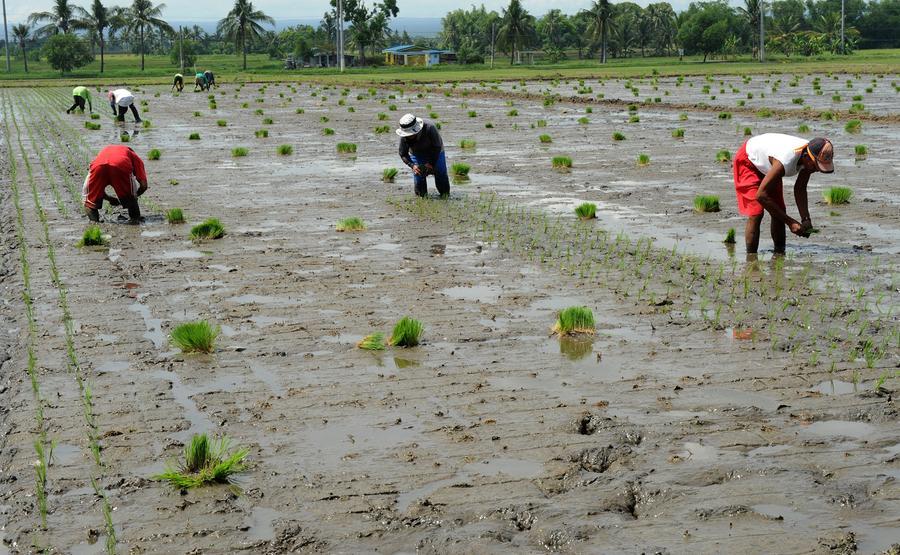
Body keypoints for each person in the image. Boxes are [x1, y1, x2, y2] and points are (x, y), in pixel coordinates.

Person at [733, 133, 834, 255]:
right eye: (816, 166)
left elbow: (800, 188)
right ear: (808, 157)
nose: (816, 170)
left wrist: (805, 218)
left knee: (779, 209)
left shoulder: (811, 154)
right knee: (757, 212)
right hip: (749, 161)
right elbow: (760, 195)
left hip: (769, 165)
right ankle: (751, 259)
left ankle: (779, 255)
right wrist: (790, 222)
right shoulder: (786, 160)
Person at [82, 145, 148, 224]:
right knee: (131, 199)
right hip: (121, 164)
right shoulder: (133, 155)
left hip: (98, 166)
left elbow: (97, 189)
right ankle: (135, 220)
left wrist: (109, 199)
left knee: (90, 200)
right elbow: (144, 186)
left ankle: (94, 223)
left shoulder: (105, 151)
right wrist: (134, 196)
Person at [396, 113, 450, 198]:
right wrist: (413, 166)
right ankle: (422, 198)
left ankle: (445, 196)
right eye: (407, 134)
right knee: (418, 174)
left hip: (435, 151)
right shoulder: (404, 135)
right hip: (417, 153)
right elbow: (403, 154)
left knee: (440, 173)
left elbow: (437, 147)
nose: (409, 136)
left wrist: (431, 163)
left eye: (411, 134)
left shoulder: (429, 127)